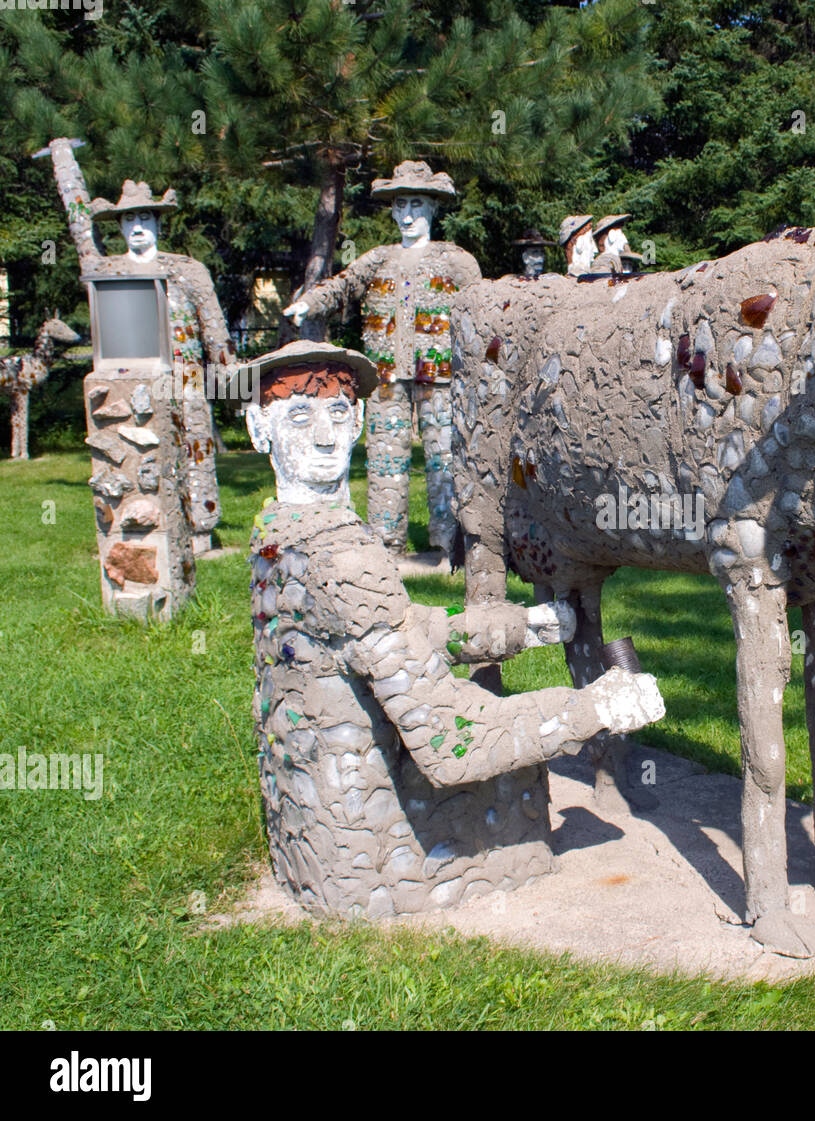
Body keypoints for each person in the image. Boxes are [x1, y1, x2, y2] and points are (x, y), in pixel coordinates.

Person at [242, 339, 665, 917]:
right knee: (517, 768)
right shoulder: (342, 558)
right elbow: (451, 741)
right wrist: (596, 709)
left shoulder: (276, 531)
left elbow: (388, 634)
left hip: (308, 825)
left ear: (360, 421)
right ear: (257, 428)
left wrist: (523, 627)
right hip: (368, 848)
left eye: (337, 413)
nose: (323, 436)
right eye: (299, 414)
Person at [283, 161, 481, 562]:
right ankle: (385, 542)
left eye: (416, 205)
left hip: (440, 375)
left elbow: (481, 308)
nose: (407, 215)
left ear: (432, 209)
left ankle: (448, 543)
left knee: (444, 457)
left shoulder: (455, 260)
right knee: (386, 458)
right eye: (400, 205)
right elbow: (343, 285)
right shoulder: (378, 259)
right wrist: (309, 303)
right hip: (386, 377)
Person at [44, 139, 235, 552]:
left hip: (184, 378)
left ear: (158, 222)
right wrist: (64, 159)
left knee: (195, 449)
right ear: (120, 226)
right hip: (132, 384)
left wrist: (228, 375)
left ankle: (201, 527)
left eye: (145, 217)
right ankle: (146, 527)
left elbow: (214, 327)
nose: (138, 227)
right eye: (129, 219)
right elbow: (80, 228)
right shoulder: (109, 271)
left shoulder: (186, 269)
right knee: (139, 454)